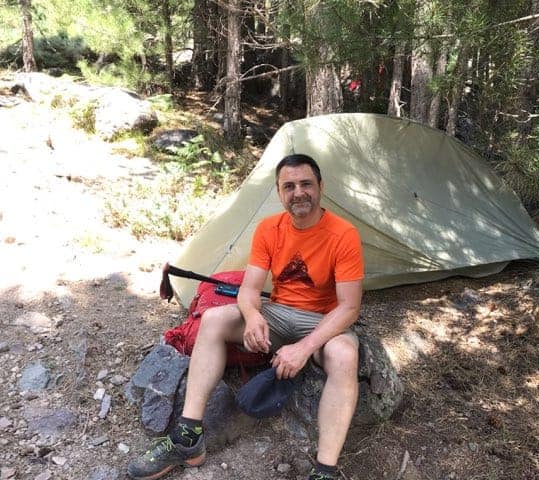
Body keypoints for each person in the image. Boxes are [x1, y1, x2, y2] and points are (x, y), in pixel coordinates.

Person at [127, 153, 364, 480]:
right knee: (213, 319)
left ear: (321, 187)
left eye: (306, 184)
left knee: (344, 355)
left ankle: (324, 470)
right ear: (279, 192)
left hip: (321, 319)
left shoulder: (343, 234)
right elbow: (249, 289)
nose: (298, 193)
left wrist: (303, 348)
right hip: (279, 313)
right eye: (289, 186)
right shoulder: (269, 229)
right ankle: (188, 437)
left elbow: (349, 307)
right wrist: (252, 317)